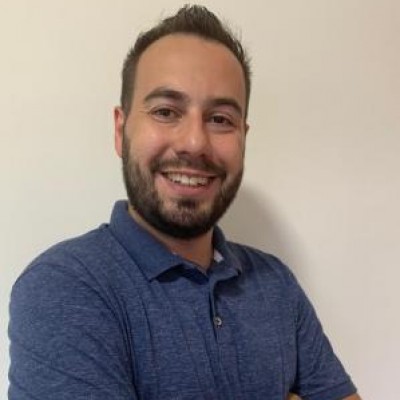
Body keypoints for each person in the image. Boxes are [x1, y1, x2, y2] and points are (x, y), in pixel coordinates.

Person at [8, 5, 361, 400]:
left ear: (243, 138)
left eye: (220, 119)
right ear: (121, 130)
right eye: (166, 111)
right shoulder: (65, 287)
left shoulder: (276, 283)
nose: (194, 143)